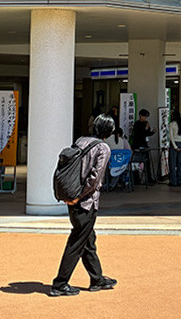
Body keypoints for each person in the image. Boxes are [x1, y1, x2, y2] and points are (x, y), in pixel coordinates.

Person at [50, 114, 117, 297]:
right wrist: (79, 197)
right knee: (77, 242)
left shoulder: (81, 141)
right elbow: (95, 179)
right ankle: (60, 283)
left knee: (88, 240)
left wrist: (72, 196)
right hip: (86, 202)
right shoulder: (103, 148)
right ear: (108, 131)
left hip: (72, 198)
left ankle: (97, 279)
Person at [131, 109, 156, 185]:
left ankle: (149, 178)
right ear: (140, 116)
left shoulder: (146, 123)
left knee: (146, 162)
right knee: (136, 163)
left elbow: (147, 134)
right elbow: (139, 134)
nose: (145, 118)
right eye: (144, 116)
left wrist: (152, 132)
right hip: (137, 145)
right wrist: (145, 129)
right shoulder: (137, 124)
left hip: (144, 144)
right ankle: (136, 179)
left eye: (146, 116)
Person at [168, 114, 181, 187]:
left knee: (172, 164)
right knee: (180, 164)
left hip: (174, 144)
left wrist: (175, 146)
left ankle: (173, 181)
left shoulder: (172, 124)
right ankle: (179, 181)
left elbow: (171, 136)